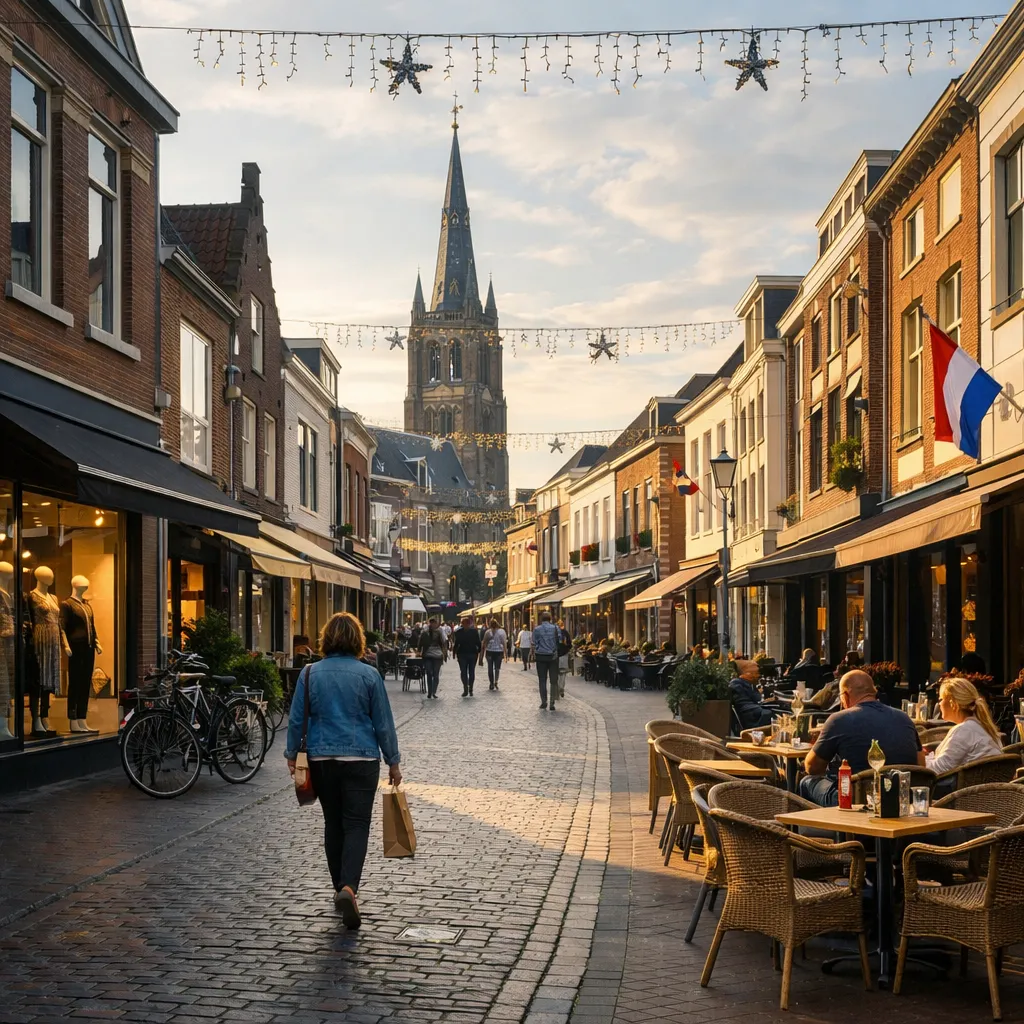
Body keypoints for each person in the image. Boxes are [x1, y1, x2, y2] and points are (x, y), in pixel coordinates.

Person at [284, 612, 402, 930]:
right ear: (358, 640)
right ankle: (349, 887)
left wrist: (291, 754)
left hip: (322, 759)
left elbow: (297, 718)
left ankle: (340, 888)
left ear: (326, 638)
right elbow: (383, 721)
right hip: (362, 760)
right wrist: (393, 759)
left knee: (333, 823)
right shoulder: (369, 675)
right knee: (357, 824)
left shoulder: (309, 674)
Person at [799, 670, 924, 807]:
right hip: (901, 800)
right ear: (874, 692)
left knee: (807, 781)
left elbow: (812, 767)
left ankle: (816, 827)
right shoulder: (904, 718)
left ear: (845, 696)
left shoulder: (839, 719)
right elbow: (920, 765)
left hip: (856, 802)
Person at [925, 677, 1003, 776]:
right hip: (986, 787)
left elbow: (936, 771)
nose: (939, 703)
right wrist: (928, 757)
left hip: (968, 790)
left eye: (941, 699)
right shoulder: (979, 725)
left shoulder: (965, 730)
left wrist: (919, 758)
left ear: (953, 703)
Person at [729, 659, 775, 730]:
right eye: (756, 673)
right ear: (747, 673)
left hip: (758, 715)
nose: (758, 675)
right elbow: (746, 708)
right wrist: (771, 712)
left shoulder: (749, 685)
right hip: (753, 723)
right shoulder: (736, 684)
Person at [532, 611, 561, 711]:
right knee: (553, 680)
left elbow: (534, 643)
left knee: (542, 680)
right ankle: (552, 702)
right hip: (553, 657)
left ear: (541, 619)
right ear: (550, 619)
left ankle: (543, 701)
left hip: (540, 657)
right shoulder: (555, 628)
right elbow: (560, 641)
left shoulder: (537, 629)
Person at [452, 615, 482, 696]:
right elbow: (478, 643)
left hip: (464, 654)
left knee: (465, 672)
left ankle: (468, 688)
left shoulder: (459, 632)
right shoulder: (474, 631)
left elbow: (456, 644)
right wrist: (479, 651)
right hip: (470, 653)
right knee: (468, 671)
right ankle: (468, 687)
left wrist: (454, 653)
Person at [418, 617, 447, 699]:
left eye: (434, 623)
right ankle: (430, 691)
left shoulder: (439, 632)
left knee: (436, 674)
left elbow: (443, 643)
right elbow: (420, 643)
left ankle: (433, 691)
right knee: (429, 673)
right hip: (427, 655)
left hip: (437, 655)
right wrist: (419, 651)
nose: (433, 625)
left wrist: (444, 653)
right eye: (432, 623)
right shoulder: (425, 633)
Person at [480, 618, 507, 690]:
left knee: (490, 668)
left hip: (489, 652)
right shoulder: (502, 632)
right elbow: (504, 643)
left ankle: (491, 683)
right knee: (497, 668)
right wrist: (506, 654)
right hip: (498, 652)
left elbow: (484, 643)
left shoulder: (488, 632)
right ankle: (496, 681)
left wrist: (482, 655)